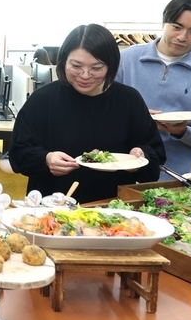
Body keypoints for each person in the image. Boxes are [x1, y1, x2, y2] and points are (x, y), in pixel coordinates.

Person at [9, 24, 164, 204]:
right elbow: (18, 153)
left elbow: (155, 153)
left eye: (96, 68)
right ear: (64, 61)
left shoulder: (129, 100)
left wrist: (141, 157)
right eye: (76, 66)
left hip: (112, 207)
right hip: (52, 206)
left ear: (112, 65)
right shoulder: (43, 100)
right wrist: (46, 159)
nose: (85, 75)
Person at [115, 0, 191, 177]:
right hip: (118, 171)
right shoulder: (125, 60)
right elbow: (101, 112)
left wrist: (183, 132)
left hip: (173, 178)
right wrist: (135, 118)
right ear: (163, 22)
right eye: (177, 27)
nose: (183, 37)